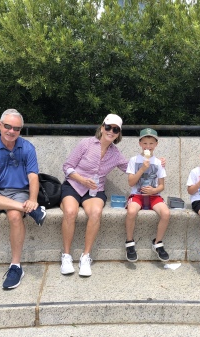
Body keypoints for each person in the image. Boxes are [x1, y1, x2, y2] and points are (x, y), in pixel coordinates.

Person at [0, 109, 46, 290]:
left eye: (17, 128)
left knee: (14, 216)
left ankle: (16, 266)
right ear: (0, 125)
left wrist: (33, 199)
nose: (12, 131)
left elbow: (33, 177)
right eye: (8, 126)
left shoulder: (27, 147)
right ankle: (26, 208)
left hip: (19, 191)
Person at [60, 114, 128, 277]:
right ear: (102, 127)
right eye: (108, 127)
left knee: (96, 213)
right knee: (70, 212)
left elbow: (132, 169)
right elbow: (67, 167)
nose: (111, 131)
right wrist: (82, 180)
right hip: (74, 186)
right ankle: (66, 256)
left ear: (118, 133)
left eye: (115, 129)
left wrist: (152, 163)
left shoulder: (116, 154)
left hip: (95, 191)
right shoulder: (86, 143)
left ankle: (85, 257)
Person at [124, 128, 170, 263]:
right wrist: (143, 169)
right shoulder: (134, 160)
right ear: (140, 144)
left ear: (156, 144)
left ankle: (158, 242)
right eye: (145, 143)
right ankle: (129, 242)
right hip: (137, 194)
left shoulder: (159, 162)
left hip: (154, 195)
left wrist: (154, 191)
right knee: (131, 211)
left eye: (151, 143)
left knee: (166, 213)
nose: (148, 146)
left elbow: (162, 185)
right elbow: (131, 182)